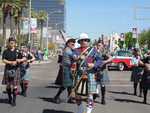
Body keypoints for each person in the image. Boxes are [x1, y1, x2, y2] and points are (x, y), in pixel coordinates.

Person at [75, 33, 110, 113]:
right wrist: (76, 58)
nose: (85, 42)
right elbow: (73, 58)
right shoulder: (76, 50)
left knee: (90, 95)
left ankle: (88, 111)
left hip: (90, 74)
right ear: (80, 41)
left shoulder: (93, 50)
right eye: (83, 40)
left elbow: (100, 60)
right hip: (79, 74)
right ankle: (80, 110)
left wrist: (94, 64)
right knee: (78, 95)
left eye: (86, 40)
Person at [53, 38, 76, 104]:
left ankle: (70, 98)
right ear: (68, 44)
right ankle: (56, 97)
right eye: (72, 44)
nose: (73, 45)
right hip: (66, 68)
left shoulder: (70, 49)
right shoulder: (67, 50)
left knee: (70, 84)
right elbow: (75, 58)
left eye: (74, 44)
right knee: (65, 84)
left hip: (69, 68)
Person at [2, 37, 21, 106]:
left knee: (15, 86)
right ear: (9, 43)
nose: (11, 44)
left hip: (16, 69)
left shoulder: (18, 51)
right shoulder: (5, 51)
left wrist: (19, 60)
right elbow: (3, 59)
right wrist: (10, 62)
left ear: (15, 43)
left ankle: (14, 100)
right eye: (10, 43)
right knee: (8, 86)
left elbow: (24, 58)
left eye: (13, 43)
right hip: (8, 69)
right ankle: (10, 97)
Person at [93, 40, 111, 105]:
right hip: (95, 71)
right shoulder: (94, 52)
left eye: (100, 45)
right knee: (94, 85)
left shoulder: (104, 53)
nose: (98, 46)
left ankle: (103, 99)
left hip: (102, 71)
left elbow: (111, 59)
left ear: (102, 46)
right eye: (98, 45)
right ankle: (93, 97)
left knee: (102, 85)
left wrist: (105, 62)